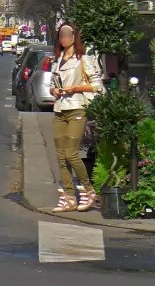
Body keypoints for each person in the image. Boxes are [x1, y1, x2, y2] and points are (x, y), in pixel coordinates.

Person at [49, 20, 104, 212]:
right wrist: (54, 90)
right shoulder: (57, 59)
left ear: (74, 37)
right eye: (61, 35)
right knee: (60, 156)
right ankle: (69, 196)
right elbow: (52, 84)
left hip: (77, 108)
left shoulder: (83, 59)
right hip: (60, 109)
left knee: (71, 153)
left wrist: (76, 88)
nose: (64, 38)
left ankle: (89, 192)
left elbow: (98, 86)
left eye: (68, 34)